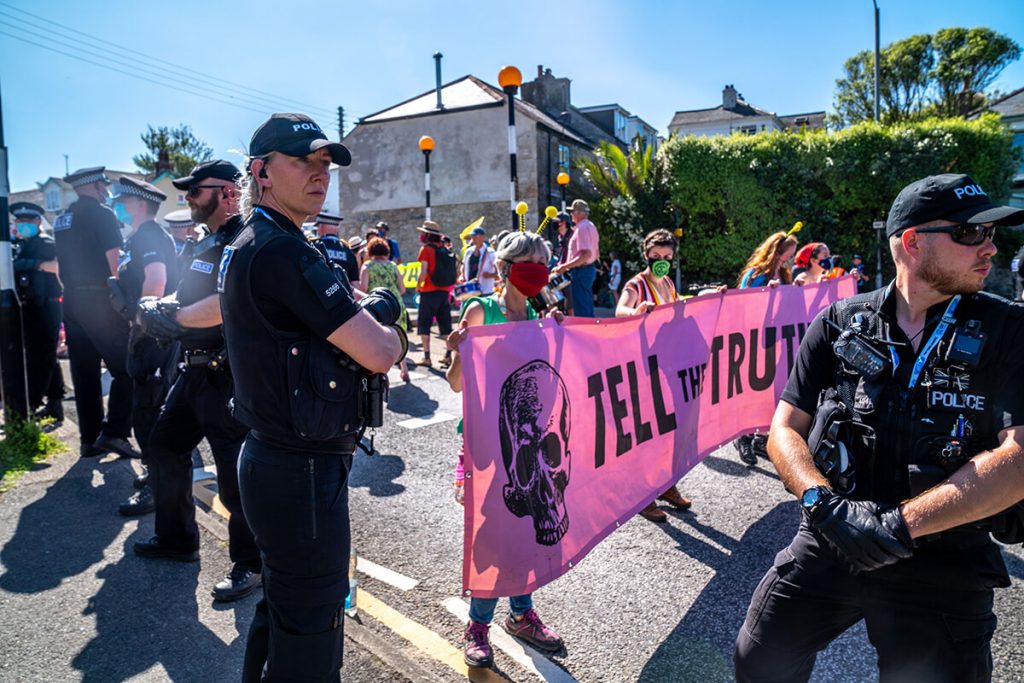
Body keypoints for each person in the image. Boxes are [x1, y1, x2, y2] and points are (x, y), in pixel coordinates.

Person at [734, 174, 1024, 683]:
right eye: (971, 234)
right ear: (912, 243)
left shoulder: (1011, 329)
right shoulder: (839, 321)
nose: (991, 248)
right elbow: (784, 427)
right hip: (834, 532)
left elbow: (1019, 458)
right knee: (759, 662)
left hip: (943, 555)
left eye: (991, 235)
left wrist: (899, 526)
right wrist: (819, 504)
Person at [219, 113, 405, 682]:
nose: (319, 173)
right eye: (303, 161)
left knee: (284, 611)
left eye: (325, 164)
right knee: (311, 632)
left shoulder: (263, 240)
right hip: (299, 468)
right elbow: (377, 352)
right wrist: (389, 327)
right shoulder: (283, 250)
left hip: (277, 458)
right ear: (262, 172)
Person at [131, 159, 262, 601]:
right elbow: (187, 295)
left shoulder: (245, 240)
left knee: (233, 475)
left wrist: (173, 316)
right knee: (164, 446)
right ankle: (177, 540)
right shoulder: (203, 242)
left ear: (227, 193)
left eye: (194, 191)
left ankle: (250, 565)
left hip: (225, 376)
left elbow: (228, 303)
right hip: (191, 371)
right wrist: (161, 306)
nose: (187, 199)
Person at [445, 232, 565, 668]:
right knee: (492, 537)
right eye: (529, 262)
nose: (538, 269)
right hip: (485, 447)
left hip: (527, 443)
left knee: (525, 527)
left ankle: (520, 614)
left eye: (542, 262)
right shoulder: (482, 310)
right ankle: (478, 626)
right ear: (505, 268)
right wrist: (458, 352)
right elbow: (457, 383)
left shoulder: (536, 313)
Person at [53, 167, 137, 458]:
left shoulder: (62, 219)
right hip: (101, 301)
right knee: (127, 369)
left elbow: (61, 270)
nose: (106, 189)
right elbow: (115, 263)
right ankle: (115, 433)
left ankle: (89, 439)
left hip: (73, 300)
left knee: (84, 372)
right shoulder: (102, 214)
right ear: (96, 186)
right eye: (103, 184)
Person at [110, 177, 179, 517]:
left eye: (121, 200)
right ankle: (155, 472)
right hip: (143, 331)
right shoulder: (138, 236)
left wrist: (141, 323)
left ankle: (157, 484)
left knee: (150, 409)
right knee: (145, 406)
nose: (116, 204)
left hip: (152, 334)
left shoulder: (150, 234)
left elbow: (156, 280)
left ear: (139, 204)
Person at [615, 229, 692, 521]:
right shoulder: (637, 284)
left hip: (667, 362)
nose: (661, 261)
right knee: (647, 430)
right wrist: (635, 313)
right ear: (646, 254)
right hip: (643, 365)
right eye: (656, 256)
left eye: (667, 257)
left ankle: (665, 484)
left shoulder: (669, 283)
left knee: (669, 427)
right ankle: (642, 495)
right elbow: (620, 308)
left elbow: (678, 307)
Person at [734, 231, 799, 465]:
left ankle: (761, 439)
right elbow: (742, 301)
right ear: (776, 252)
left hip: (776, 338)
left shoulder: (784, 274)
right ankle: (744, 436)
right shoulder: (756, 274)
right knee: (752, 387)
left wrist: (796, 289)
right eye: (786, 256)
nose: (788, 260)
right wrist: (765, 293)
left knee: (773, 387)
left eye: (790, 256)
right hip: (755, 336)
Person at [10, 201, 63, 420]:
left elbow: (59, 266)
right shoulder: (24, 243)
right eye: (20, 221)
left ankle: (28, 409)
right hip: (31, 306)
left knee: (39, 358)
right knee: (46, 355)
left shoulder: (45, 242)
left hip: (46, 306)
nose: (23, 224)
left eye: (28, 221)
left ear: (38, 222)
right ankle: (55, 402)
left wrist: (32, 264)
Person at [359, 237, 410, 382]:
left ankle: (383, 374)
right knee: (400, 336)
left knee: (378, 339)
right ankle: (404, 369)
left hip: (378, 307)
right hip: (396, 304)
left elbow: (363, 288)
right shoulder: (393, 265)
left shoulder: (367, 266)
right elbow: (402, 289)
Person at [415, 220, 456, 368]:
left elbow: (424, 271)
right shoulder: (444, 249)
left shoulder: (426, 249)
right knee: (445, 326)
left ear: (427, 235)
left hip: (429, 292)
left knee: (424, 325)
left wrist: (418, 285)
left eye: (422, 233)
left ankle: (427, 357)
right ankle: (448, 355)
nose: (420, 235)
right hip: (444, 292)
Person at [552, 199, 599, 317]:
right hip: (587, 270)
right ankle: (589, 333)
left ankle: (584, 334)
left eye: (572, 212)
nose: (571, 215)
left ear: (578, 213)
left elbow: (586, 254)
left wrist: (565, 266)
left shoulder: (582, 228)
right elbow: (594, 253)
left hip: (581, 271)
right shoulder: (590, 226)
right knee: (585, 306)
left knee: (581, 309)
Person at [311, 211, 359, 285]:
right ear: (336, 230)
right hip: (344, 294)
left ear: (321, 227)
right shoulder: (347, 250)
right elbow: (355, 283)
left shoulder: (314, 245)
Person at [462, 226, 497, 295]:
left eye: (476, 237)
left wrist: (490, 275)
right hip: (470, 289)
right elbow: (464, 266)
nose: (473, 239)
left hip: (485, 290)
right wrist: (462, 276)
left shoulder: (490, 253)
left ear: (483, 237)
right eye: (472, 237)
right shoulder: (468, 251)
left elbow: (499, 272)